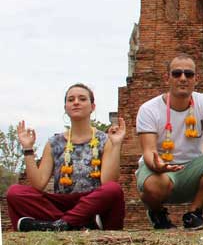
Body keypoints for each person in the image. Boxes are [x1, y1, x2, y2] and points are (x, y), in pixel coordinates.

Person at [135, 53, 203, 230]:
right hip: (161, 171)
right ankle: (157, 213)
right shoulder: (148, 109)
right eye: (177, 73)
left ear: (196, 79)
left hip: (193, 169)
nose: (183, 78)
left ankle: (193, 213)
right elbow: (149, 151)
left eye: (188, 74)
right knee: (152, 187)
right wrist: (158, 165)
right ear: (167, 78)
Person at [6, 83, 126, 232]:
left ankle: (59, 224)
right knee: (15, 192)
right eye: (71, 100)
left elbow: (108, 182)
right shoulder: (54, 142)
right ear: (65, 108)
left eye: (82, 99)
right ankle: (72, 224)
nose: (76, 102)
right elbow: (38, 184)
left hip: (93, 205)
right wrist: (28, 149)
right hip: (61, 202)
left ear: (92, 107)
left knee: (113, 189)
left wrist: (116, 145)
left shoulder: (104, 139)